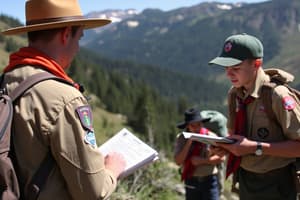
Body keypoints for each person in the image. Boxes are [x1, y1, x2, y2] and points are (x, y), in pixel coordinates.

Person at [1, 0, 126, 199]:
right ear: (66, 34)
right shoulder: (65, 98)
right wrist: (112, 170)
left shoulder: (8, 79)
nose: (77, 48)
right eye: (79, 38)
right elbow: (92, 192)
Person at [209, 33, 300, 200]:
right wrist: (226, 146)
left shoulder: (277, 96)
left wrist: (256, 147)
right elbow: (236, 137)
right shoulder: (235, 94)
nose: (229, 74)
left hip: (277, 182)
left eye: (235, 68)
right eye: (225, 68)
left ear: (256, 64)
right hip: (246, 179)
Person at [174, 107, 226, 200]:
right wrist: (189, 143)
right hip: (191, 181)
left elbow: (222, 158)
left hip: (209, 180)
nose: (196, 128)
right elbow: (178, 161)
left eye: (198, 124)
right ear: (188, 126)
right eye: (192, 125)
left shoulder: (210, 137)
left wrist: (202, 161)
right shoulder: (181, 138)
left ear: (202, 123)